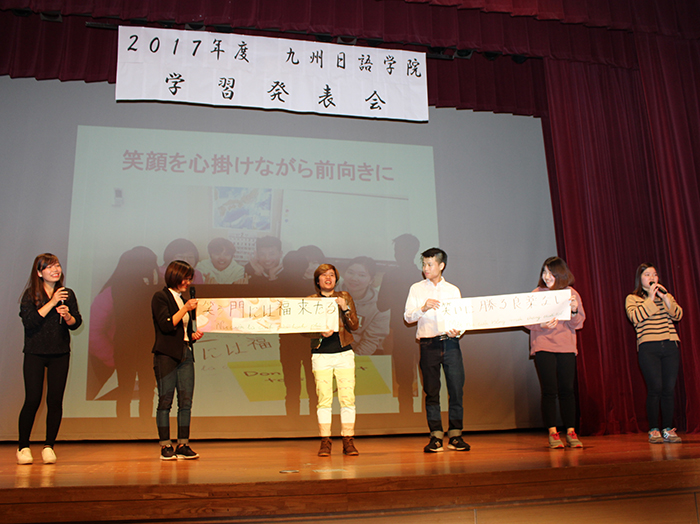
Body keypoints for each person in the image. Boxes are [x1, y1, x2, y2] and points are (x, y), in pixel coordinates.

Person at [17, 253, 82, 465]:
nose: (56, 270)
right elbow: (30, 322)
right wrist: (52, 302)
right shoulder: (30, 295)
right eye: (49, 267)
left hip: (60, 353)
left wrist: (68, 316)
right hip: (35, 353)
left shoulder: (67, 294)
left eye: (57, 266)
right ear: (39, 273)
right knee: (32, 399)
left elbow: (76, 323)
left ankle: (49, 446)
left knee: (55, 400)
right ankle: (23, 447)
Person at [404, 248, 470, 453]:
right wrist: (423, 308)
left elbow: (462, 319)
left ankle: (456, 435)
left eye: (430, 264)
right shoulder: (416, 289)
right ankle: (435, 436)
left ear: (441, 266)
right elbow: (408, 317)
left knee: (456, 390)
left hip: (450, 344)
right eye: (424, 264)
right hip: (428, 345)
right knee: (431, 392)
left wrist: (458, 331)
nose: (426, 268)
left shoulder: (453, 290)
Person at [88, 246, 159, 418]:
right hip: (136, 350)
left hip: (130, 349)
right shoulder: (116, 291)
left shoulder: (115, 289)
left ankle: (125, 428)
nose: (153, 268)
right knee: (141, 392)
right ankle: (142, 427)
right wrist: (110, 357)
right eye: (151, 264)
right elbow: (94, 330)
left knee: (128, 392)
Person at [525, 256, 585, 449]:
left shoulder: (571, 293)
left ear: (560, 274)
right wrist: (540, 325)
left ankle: (571, 431)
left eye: (550, 272)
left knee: (567, 390)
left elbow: (579, 323)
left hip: (566, 347)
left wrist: (574, 311)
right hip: (543, 346)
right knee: (549, 390)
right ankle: (553, 432)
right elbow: (525, 320)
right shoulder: (537, 293)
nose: (546, 276)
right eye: (544, 272)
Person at [151, 260, 204, 460]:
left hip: (185, 353)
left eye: (190, 279)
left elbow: (182, 331)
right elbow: (166, 325)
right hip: (166, 355)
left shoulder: (183, 300)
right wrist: (185, 308)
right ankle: (166, 445)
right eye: (185, 278)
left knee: (186, 401)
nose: (187, 283)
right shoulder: (160, 297)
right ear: (174, 276)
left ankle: (183, 444)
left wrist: (192, 336)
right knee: (165, 400)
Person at [625, 263, 683, 444]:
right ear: (640, 278)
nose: (652, 277)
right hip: (648, 347)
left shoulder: (665, 295)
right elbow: (635, 318)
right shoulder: (633, 298)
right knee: (655, 388)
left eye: (654, 274)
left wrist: (665, 298)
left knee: (668, 389)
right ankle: (654, 429)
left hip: (670, 345)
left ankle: (667, 428)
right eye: (647, 274)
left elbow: (678, 315)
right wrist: (650, 298)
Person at [307, 264, 360, 456]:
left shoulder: (344, 296)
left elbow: (354, 325)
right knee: (324, 400)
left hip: (344, 354)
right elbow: (303, 329)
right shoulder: (310, 301)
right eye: (324, 275)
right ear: (317, 280)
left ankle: (348, 440)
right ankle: (325, 441)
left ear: (336, 279)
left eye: (331, 275)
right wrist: (318, 332)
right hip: (321, 355)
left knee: (347, 399)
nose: (328, 278)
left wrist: (345, 309)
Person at [377, 234, 422, 414]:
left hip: (408, 331)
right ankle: (427, 419)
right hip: (418, 331)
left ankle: (406, 417)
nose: (397, 254)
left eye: (399, 250)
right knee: (424, 377)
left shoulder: (391, 275)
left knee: (404, 379)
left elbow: (381, 305)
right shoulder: (422, 275)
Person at [339, 256, 390, 356]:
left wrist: (353, 359)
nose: (354, 278)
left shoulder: (380, 305)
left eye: (362, 275)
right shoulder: (331, 293)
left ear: (371, 280)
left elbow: (371, 341)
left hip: (358, 354)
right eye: (350, 272)